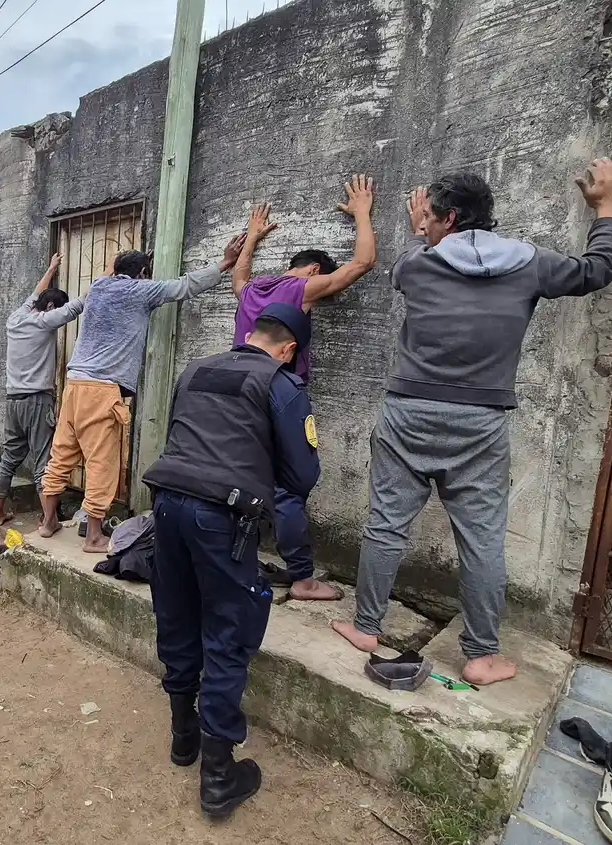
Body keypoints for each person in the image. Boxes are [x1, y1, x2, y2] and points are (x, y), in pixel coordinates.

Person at [332, 160, 612, 686]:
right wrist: (607, 207)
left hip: (409, 411)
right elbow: (596, 269)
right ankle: (482, 655)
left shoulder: (416, 265)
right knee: (482, 540)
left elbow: (407, 263)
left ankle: (366, 627)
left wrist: (422, 231)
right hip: (481, 420)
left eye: (431, 217)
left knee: (386, 524)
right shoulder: (532, 264)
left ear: (444, 218)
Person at [141, 302, 318, 818]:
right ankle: (218, 777)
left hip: (167, 506)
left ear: (250, 335)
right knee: (228, 630)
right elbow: (303, 476)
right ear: (288, 350)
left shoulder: (195, 368)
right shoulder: (281, 385)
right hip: (222, 520)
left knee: (176, 615)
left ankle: (183, 738)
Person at [38, 235, 246, 553]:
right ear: (142, 274)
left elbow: (112, 271)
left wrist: (132, 263)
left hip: (75, 384)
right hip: (103, 390)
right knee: (102, 463)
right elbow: (184, 286)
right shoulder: (142, 291)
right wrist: (225, 262)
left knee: (61, 456)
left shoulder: (97, 287)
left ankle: (47, 523)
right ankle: (94, 537)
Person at [231, 177, 377, 601]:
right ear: (314, 270)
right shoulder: (301, 287)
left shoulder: (253, 290)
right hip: (277, 392)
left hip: (240, 386)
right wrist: (363, 212)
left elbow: (239, 275)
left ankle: (243, 559)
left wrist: (252, 236)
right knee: (290, 487)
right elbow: (362, 263)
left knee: (244, 478)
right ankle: (302, 577)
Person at [0, 253, 81, 526]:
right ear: (52, 307)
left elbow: (36, 293)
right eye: (56, 309)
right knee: (44, 461)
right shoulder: (44, 322)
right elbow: (77, 306)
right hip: (36, 401)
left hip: (13, 401)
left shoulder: (16, 318)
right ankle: (48, 521)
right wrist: (111, 277)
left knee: (10, 458)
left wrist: (51, 269)